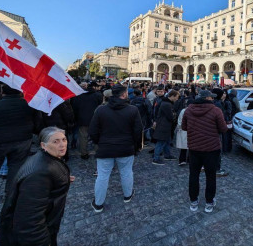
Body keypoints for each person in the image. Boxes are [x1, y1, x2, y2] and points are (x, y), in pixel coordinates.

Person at [0, 127, 72, 246]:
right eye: (55, 141)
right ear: (43, 145)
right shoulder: (39, 174)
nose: (62, 144)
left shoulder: (46, 159)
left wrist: (62, 179)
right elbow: (29, 219)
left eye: (64, 139)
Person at [89, 84, 143, 213]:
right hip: (125, 148)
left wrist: (99, 142)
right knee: (126, 172)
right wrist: (135, 147)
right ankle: (127, 195)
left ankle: (98, 203)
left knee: (102, 176)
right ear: (124, 94)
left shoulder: (101, 110)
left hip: (106, 148)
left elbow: (93, 131)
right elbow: (138, 131)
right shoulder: (132, 110)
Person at [182, 90, 228, 213]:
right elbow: (223, 128)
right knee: (210, 176)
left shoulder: (188, 110)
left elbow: (184, 127)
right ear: (207, 98)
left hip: (194, 147)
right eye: (211, 97)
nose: (213, 99)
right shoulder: (216, 110)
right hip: (211, 148)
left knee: (194, 175)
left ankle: (193, 201)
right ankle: (209, 202)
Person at [70, 82, 103, 159]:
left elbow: (75, 108)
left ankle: (84, 153)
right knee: (96, 136)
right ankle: (98, 152)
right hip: (94, 119)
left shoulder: (79, 96)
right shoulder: (97, 95)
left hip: (82, 119)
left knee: (83, 137)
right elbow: (100, 105)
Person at [152, 90, 180, 165]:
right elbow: (171, 116)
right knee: (161, 142)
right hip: (163, 126)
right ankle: (156, 158)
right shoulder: (167, 104)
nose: (177, 99)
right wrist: (174, 116)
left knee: (167, 141)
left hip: (165, 125)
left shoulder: (166, 103)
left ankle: (167, 155)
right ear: (172, 96)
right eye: (176, 97)